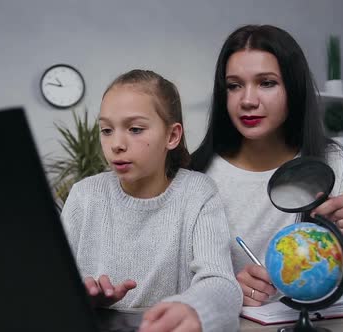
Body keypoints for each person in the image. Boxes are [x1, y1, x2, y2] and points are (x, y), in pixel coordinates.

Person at [190, 25, 343, 307]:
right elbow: (178, 287)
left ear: (294, 88)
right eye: (234, 85)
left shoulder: (329, 160)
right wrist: (226, 289)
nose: (248, 101)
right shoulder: (200, 174)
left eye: (266, 83)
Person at [61, 69, 242, 332]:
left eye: (135, 129)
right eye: (107, 130)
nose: (117, 144)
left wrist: (194, 309)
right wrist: (82, 297)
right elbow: (49, 285)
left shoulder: (197, 192)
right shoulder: (84, 195)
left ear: (172, 136)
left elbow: (220, 283)